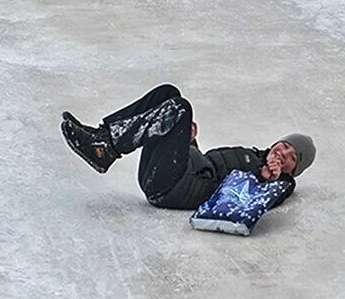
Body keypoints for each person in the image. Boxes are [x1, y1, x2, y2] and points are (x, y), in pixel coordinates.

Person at [60, 84, 315, 211]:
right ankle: (104, 138)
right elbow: (208, 169)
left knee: (181, 108)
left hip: (175, 189)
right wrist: (190, 143)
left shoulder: (278, 183)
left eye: (293, 158)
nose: (284, 153)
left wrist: (267, 178)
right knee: (168, 94)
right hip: (170, 177)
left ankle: (107, 149)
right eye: (285, 145)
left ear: (293, 172)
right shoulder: (251, 155)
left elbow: (272, 192)